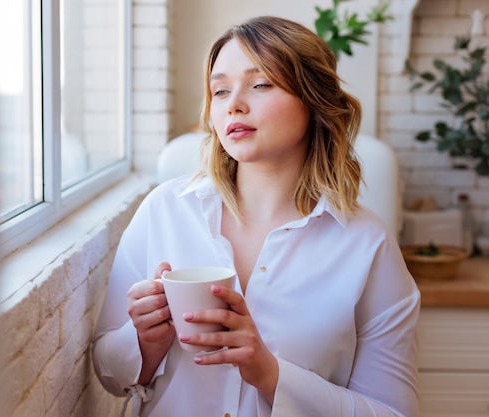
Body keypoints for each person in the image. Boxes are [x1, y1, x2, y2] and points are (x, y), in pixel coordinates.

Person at [92, 15, 420, 417]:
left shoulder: (368, 244)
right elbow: (106, 372)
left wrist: (270, 374)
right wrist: (144, 341)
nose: (234, 105)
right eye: (220, 90)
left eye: (261, 84)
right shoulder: (164, 211)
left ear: (314, 100)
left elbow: (392, 412)